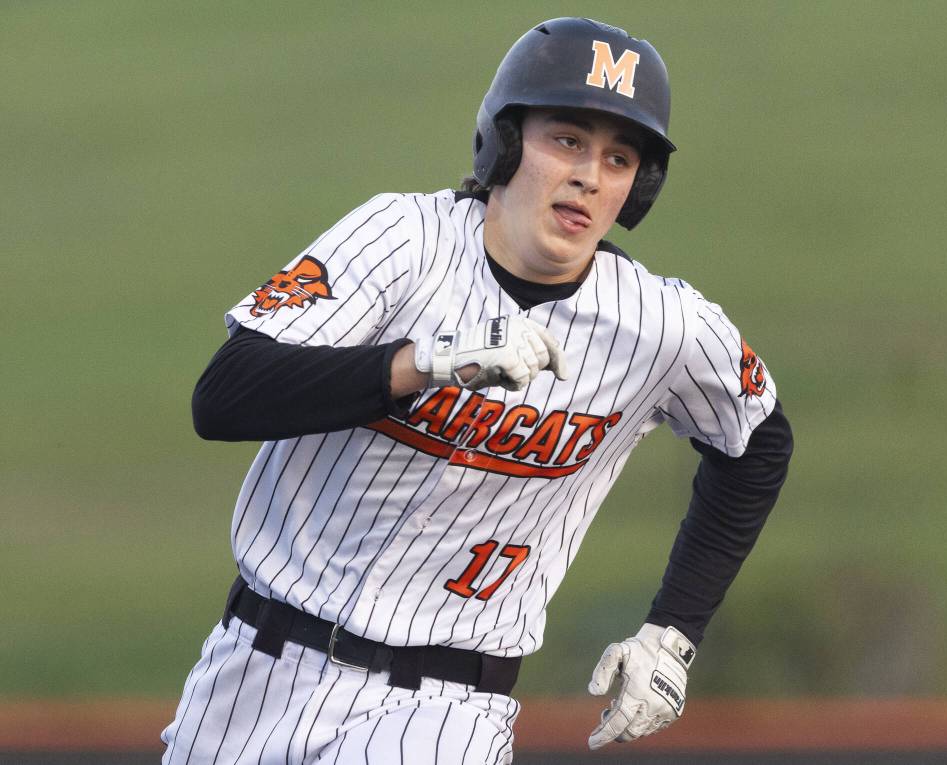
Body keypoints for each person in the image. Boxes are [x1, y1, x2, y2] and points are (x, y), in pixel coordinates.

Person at [162, 16, 793, 764]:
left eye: (619, 158)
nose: (590, 175)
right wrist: (421, 364)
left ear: (638, 188)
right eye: (568, 140)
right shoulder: (403, 240)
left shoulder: (662, 325)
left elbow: (758, 441)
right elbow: (225, 394)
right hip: (254, 670)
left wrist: (675, 630)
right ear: (504, 140)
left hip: (445, 706)